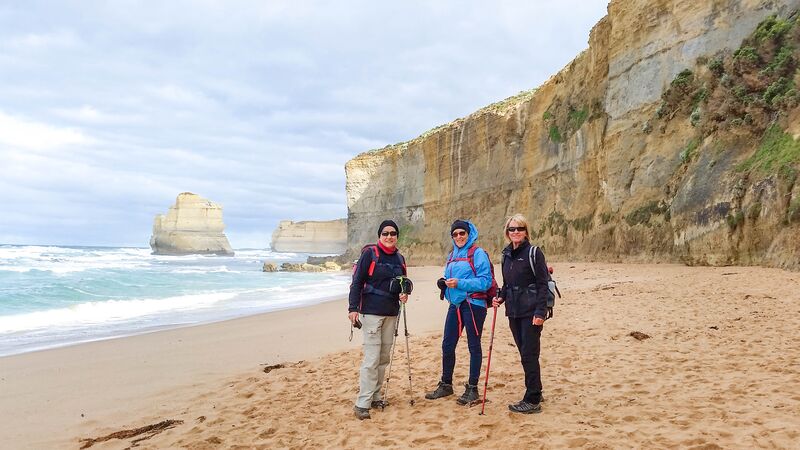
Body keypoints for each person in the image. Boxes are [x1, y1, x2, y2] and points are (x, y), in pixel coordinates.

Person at [425, 219, 492, 405]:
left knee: (473, 345)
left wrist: (459, 284)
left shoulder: (477, 253)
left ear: (469, 234)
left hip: (474, 305)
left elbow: (485, 281)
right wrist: (443, 284)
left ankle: (472, 388)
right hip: (455, 305)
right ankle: (446, 384)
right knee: (447, 344)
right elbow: (450, 278)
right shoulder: (452, 255)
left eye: (462, 233)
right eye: (455, 234)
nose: (459, 237)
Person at [348, 219, 409, 420]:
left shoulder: (399, 258)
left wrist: (404, 294)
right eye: (385, 233)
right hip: (371, 314)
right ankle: (362, 404)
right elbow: (357, 282)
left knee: (383, 358)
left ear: (397, 236)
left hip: (392, 313)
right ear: (379, 236)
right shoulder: (370, 254)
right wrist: (353, 308)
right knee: (372, 359)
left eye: (393, 233)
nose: (389, 236)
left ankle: (375, 397)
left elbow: (403, 284)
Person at [492, 213, 549, 414]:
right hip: (513, 313)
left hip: (531, 312)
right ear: (507, 233)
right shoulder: (506, 254)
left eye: (520, 229)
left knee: (529, 354)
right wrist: (500, 297)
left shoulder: (534, 253)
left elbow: (543, 284)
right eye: (512, 229)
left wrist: (540, 312)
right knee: (525, 354)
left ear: (526, 231)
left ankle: (532, 400)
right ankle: (536, 390)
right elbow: (508, 284)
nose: (516, 232)